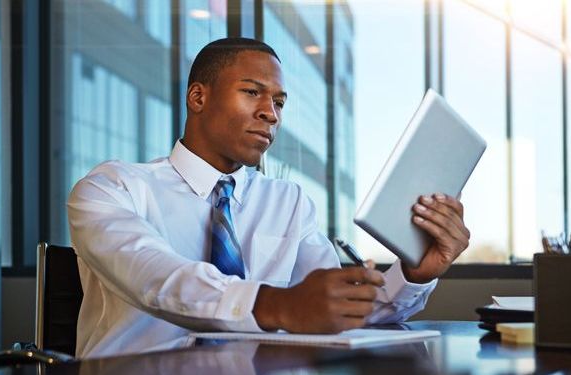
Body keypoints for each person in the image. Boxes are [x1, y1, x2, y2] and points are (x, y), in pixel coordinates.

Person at [67, 38, 470, 358]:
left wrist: (416, 271)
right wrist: (278, 304)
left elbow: (339, 307)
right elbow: (158, 277)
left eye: (278, 102)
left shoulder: (289, 202)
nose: (271, 114)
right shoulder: (111, 188)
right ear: (198, 98)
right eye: (252, 93)